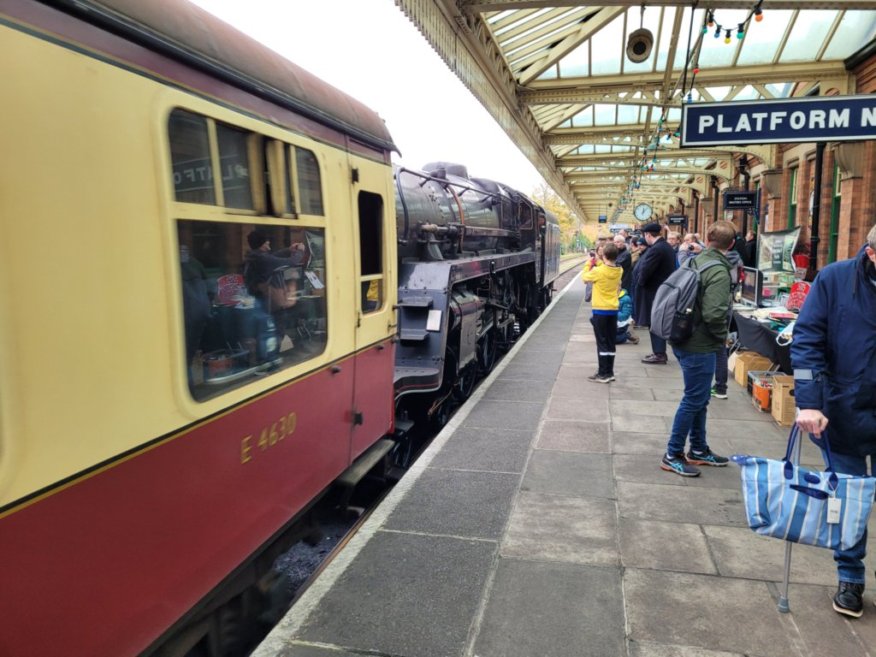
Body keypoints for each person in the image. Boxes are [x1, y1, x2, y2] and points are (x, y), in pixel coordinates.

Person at [791, 222, 876, 619]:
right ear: (871, 253)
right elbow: (806, 338)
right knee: (850, 499)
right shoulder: (835, 279)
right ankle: (851, 577)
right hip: (844, 408)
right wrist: (808, 402)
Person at [660, 220, 736, 477]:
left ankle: (699, 449)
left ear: (707, 237)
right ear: (732, 244)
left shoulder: (694, 260)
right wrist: (721, 339)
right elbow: (716, 315)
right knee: (694, 399)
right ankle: (673, 454)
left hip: (683, 338)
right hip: (700, 345)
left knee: (700, 398)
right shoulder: (719, 271)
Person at [580, 242, 622, 383]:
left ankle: (603, 374)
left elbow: (585, 278)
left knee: (602, 343)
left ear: (604, 255)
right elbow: (607, 267)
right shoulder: (619, 270)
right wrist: (599, 262)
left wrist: (588, 263)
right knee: (610, 343)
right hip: (613, 310)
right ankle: (609, 372)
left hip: (600, 311)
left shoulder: (598, 271)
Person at [635, 223, 677, 363]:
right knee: (656, 321)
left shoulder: (657, 249)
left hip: (654, 292)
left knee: (655, 322)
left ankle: (659, 353)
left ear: (647, 234)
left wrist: (640, 283)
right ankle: (658, 352)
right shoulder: (665, 247)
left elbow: (646, 270)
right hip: (661, 290)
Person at [710, 248, 743, 400]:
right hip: (728, 304)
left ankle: (719, 387)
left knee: (717, 349)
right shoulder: (737, 259)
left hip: (716, 307)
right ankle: (720, 387)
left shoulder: (717, 263)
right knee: (721, 348)